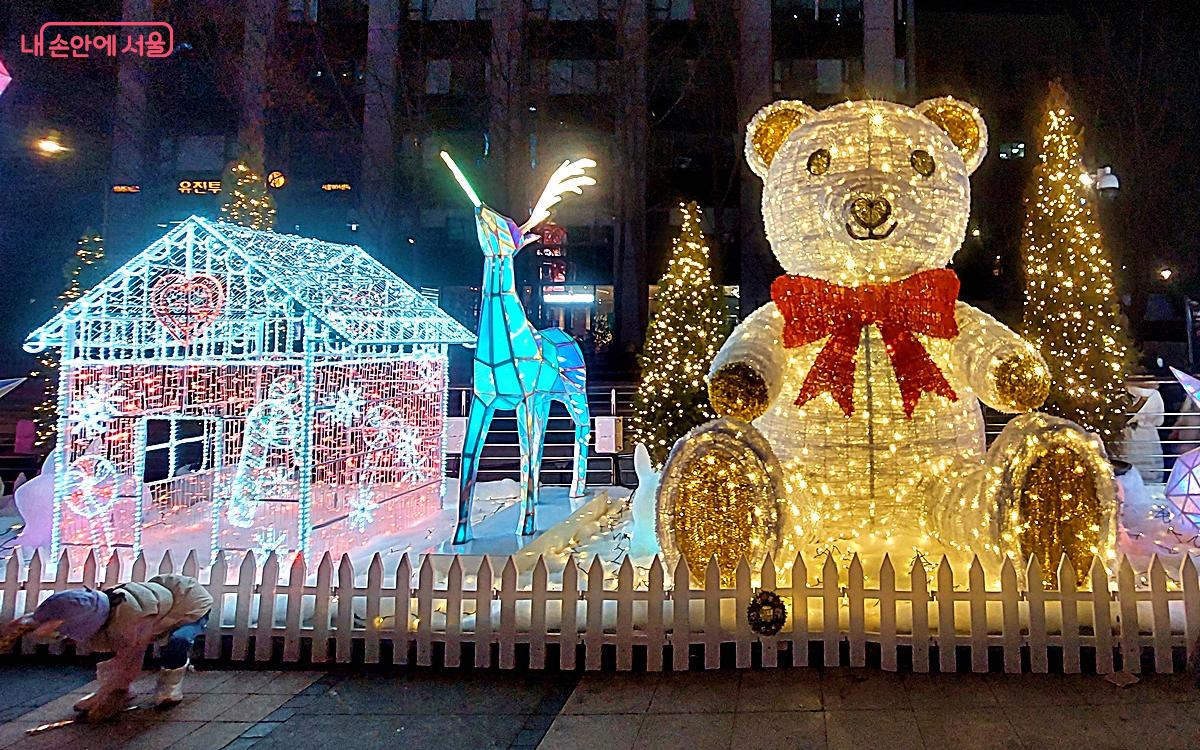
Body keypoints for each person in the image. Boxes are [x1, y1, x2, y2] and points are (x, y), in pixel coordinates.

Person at [0, 574, 212, 722]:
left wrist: (114, 693)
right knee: (111, 650)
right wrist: (28, 626)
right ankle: (109, 690)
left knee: (177, 642)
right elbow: (49, 620)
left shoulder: (129, 620)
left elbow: (131, 658)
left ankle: (169, 687)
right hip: (158, 604)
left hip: (188, 606)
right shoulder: (98, 611)